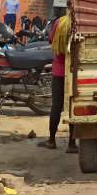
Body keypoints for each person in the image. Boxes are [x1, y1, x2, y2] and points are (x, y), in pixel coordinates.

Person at [38, 9, 76, 153]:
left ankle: (52, 140)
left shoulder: (60, 22)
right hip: (74, 73)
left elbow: (51, 40)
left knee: (56, 106)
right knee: (73, 107)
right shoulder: (80, 23)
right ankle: (72, 143)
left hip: (59, 71)